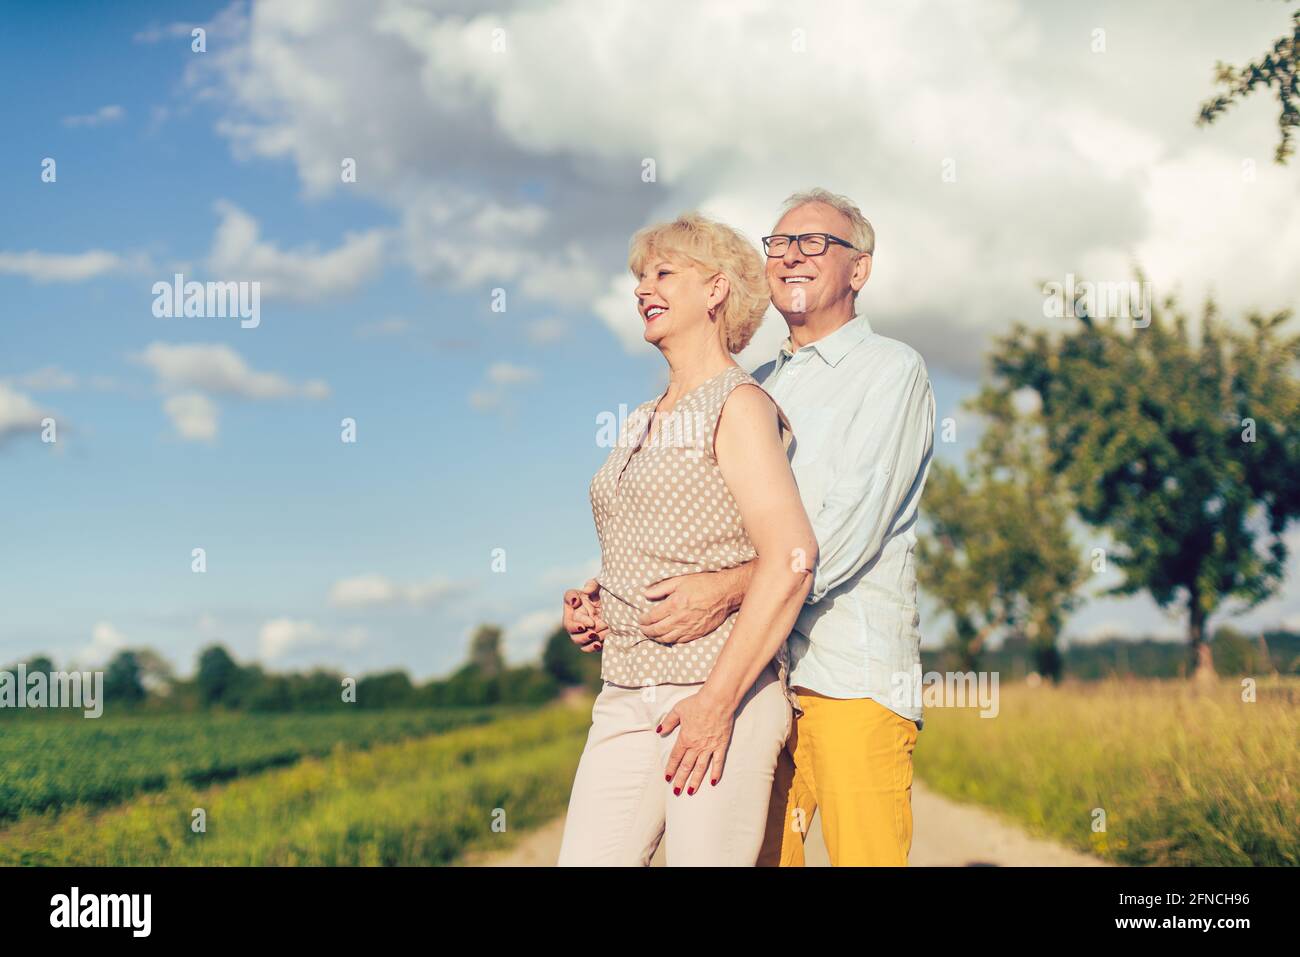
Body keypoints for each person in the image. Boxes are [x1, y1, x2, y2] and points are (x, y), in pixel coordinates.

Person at [567, 188, 936, 866]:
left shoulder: (891, 372)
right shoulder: (758, 380)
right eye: (780, 243)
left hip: (847, 676)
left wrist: (725, 588)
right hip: (761, 666)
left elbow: (841, 534)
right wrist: (614, 596)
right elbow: (709, 529)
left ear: (860, 270)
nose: (793, 255)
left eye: (816, 243)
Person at [557, 212, 817, 866]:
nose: (644, 286)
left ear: (716, 290)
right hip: (623, 695)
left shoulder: (738, 404)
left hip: (714, 690)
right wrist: (599, 598)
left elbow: (792, 557)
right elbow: (661, 539)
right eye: (640, 276)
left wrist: (716, 702)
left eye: (664, 272)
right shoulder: (641, 419)